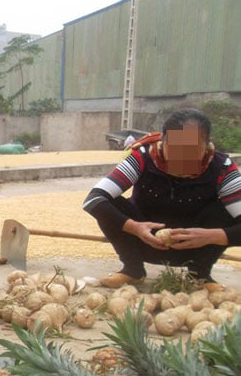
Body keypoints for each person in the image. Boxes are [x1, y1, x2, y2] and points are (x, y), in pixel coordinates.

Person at [83, 108, 241, 291]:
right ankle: (133, 269)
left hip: (195, 248)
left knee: (225, 210)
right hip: (144, 242)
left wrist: (211, 236)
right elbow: (92, 200)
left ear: (206, 146)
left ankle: (199, 274)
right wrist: (135, 227)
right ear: (163, 141)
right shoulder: (143, 157)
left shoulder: (222, 167)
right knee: (109, 203)